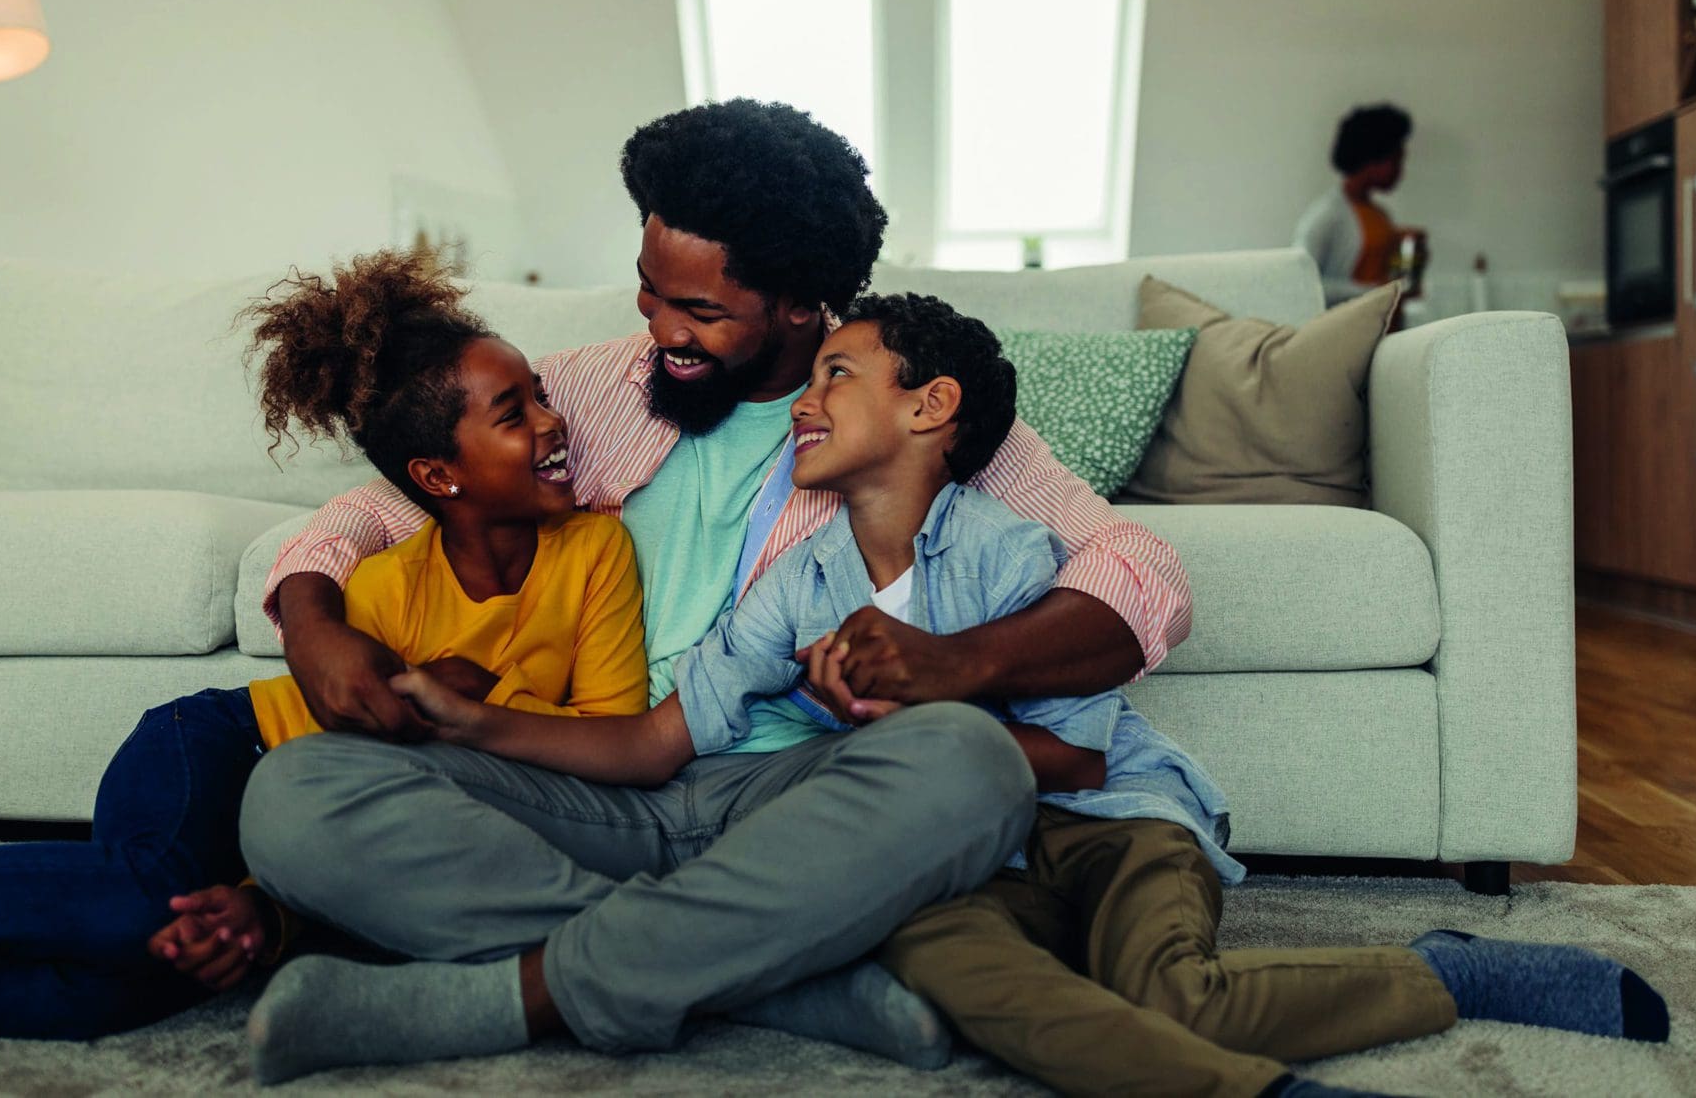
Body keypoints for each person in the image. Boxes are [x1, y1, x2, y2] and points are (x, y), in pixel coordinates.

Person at [349, 295, 1671, 1097]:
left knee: (1171, 991)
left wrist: (917, 713)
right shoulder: (798, 586)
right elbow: (658, 737)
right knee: (980, 1000)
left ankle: (1435, 978)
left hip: (1103, 820)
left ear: (930, 408)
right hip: (950, 857)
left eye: (833, 377)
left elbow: (1083, 761)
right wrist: (474, 722)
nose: (801, 402)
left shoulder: (1007, 551)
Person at [236, 99, 1188, 1078]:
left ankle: (515, 992)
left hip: (792, 803)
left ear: (795, 302)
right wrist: (311, 617)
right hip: (584, 779)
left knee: (971, 763)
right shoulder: (599, 389)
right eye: (649, 291)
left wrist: (958, 661)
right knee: (292, 795)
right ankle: (773, 974)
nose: (657, 327)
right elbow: (375, 509)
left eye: (697, 310)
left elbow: (1140, 572)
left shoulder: (900, 411)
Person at [0, 249, 647, 1040]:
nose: (553, 421)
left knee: (144, 973)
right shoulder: (387, 585)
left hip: (324, 811)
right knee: (139, 906)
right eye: (514, 412)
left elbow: (603, 745)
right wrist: (263, 902)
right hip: (224, 755)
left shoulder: (598, 550)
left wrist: (263, 916)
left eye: (540, 397)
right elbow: (340, 775)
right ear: (437, 474)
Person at [1293, 103, 1414, 303]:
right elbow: (1301, 282)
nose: (1400, 172)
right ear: (1372, 158)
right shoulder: (1327, 214)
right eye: (1395, 161)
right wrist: (1370, 290)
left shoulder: (1380, 215)